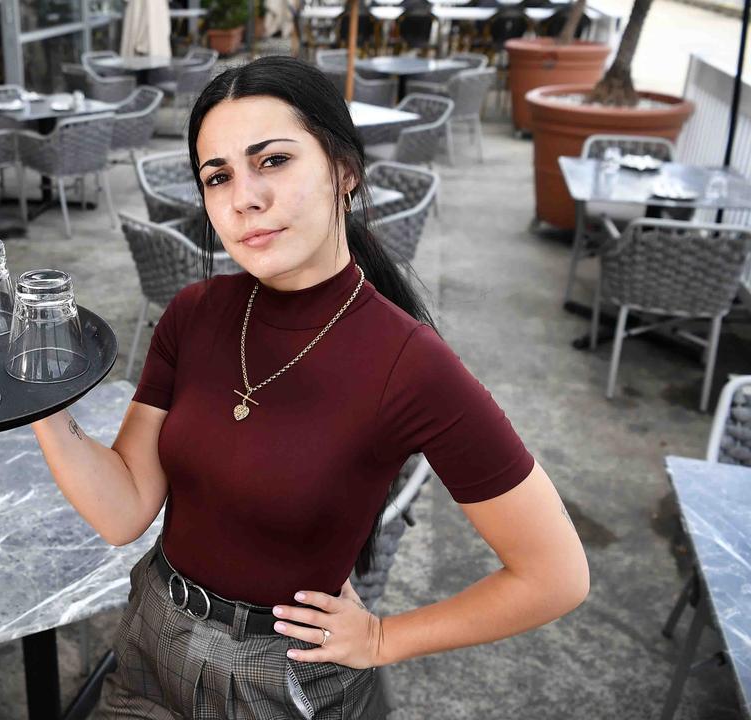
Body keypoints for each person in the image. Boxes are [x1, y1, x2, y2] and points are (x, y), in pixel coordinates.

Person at [30, 55, 588, 719]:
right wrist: (41, 401)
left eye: (273, 161)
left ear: (344, 172)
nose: (244, 198)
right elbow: (125, 510)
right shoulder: (195, 313)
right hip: (153, 627)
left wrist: (383, 637)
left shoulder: (408, 363)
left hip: (281, 677)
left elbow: (554, 575)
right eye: (219, 176)